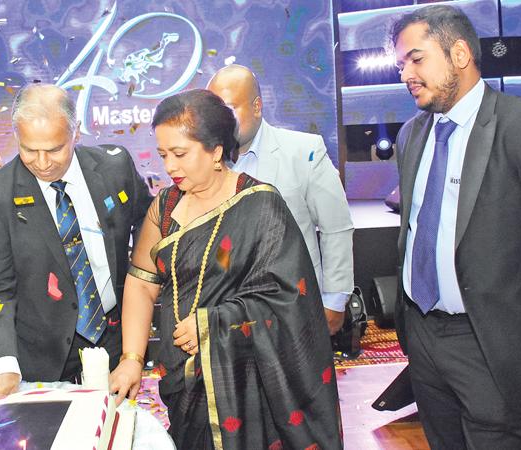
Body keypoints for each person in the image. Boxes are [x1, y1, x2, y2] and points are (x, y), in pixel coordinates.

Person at [391, 5, 521, 448]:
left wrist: (520, 293)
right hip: (424, 338)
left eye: (417, 59)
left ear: (459, 53)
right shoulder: (411, 135)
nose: (406, 74)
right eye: (401, 64)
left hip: (498, 342)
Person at [109, 89, 342, 450]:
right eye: (163, 154)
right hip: (184, 380)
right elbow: (141, 284)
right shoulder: (165, 207)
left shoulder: (260, 205)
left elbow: (289, 301)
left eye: (180, 154)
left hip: (252, 381)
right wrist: (131, 359)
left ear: (216, 151)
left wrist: (213, 325)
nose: (169, 167)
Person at [0, 83, 152, 401]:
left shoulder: (114, 168)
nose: (42, 162)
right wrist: (2, 363)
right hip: (42, 356)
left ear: (76, 133)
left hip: (115, 341)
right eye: (29, 149)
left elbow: (152, 227)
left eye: (54, 149)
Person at [207, 65, 354, 334]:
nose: (221, 122)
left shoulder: (304, 151)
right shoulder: (205, 162)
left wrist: (334, 300)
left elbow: (336, 228)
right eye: (214, 113)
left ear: (257, 106)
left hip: (295, 310)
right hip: (226, 316)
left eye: (229, 110)